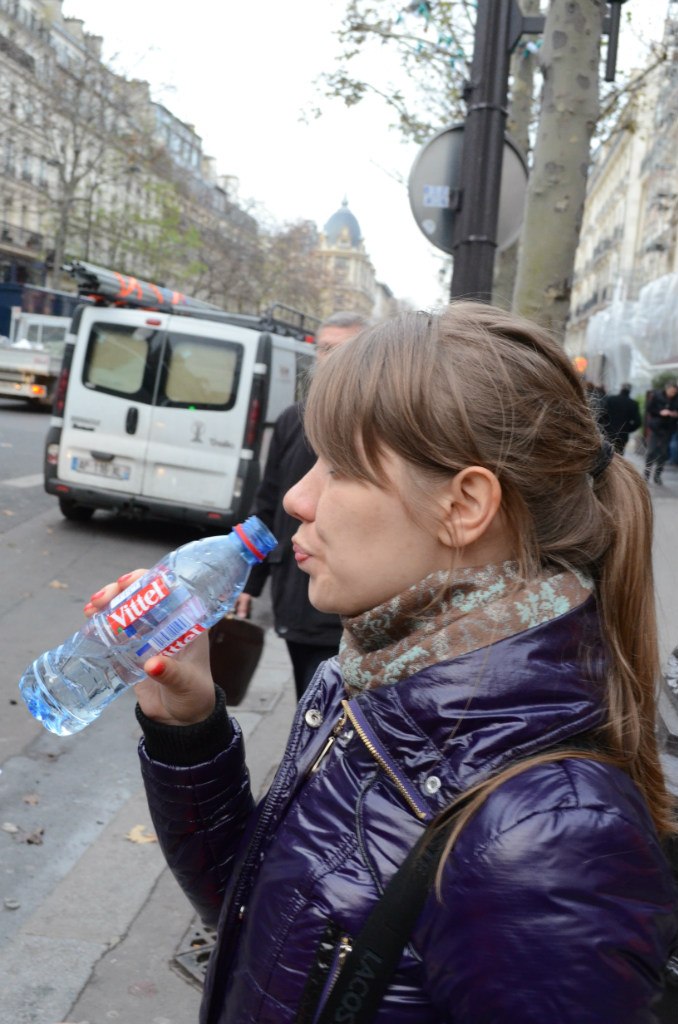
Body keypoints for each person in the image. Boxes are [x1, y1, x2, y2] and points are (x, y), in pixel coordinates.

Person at [88, 304, 678, 1023]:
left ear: (463, 504)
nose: (300, 499)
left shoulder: (550, 839)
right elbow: (273, 928)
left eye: (340, 468)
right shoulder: (375, 674)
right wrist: (188, 723)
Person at [235, 310, 370, 699]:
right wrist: (250, 581)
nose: (331, 359)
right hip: (295, 598)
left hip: (345, 610)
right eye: (325, 349)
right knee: (308, 703)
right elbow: (268, 502)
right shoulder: (292, 420)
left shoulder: (376, 425)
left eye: (343, 350)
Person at [644, 379, 678, 485]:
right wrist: (660, 412)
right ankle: (646, 473)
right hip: (656, 427)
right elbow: (649, 409)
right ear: (667, 389)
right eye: (671, 391)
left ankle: (657, 475)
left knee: (663, 453)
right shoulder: (657, 396)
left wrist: (674, 414)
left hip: (668, 428)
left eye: (675, 392)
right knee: (651, 451)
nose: (673, 394)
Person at [601, 382, 642, 454]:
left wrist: (603, 428)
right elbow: (638, 422)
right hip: (622, 435)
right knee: (619, 457)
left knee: (605, 455)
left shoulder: (610, 399)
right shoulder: (633, 404)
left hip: (608, 432)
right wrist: (627, 429)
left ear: (621, 389)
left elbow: (602, 415)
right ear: (630, 391)